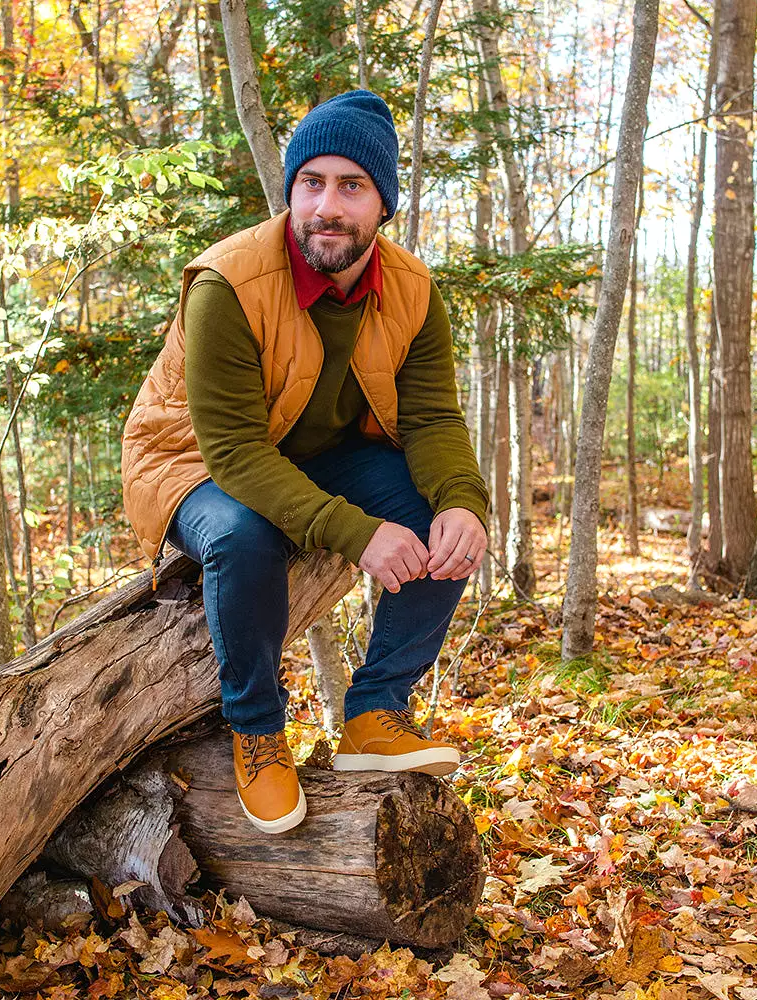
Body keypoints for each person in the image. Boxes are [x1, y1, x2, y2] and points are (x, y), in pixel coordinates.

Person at [121, 90, 489, 835]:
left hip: (319, 452)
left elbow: (430, 418)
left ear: (382, 204)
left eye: (351, 186)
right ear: (290, 191)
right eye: (310, 183)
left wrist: (463, 499)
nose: (326, 205)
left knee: (441, 524)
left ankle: (375, 712)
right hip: (190, 460)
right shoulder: (229, 283)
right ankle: (256, 732)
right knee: (243, 535)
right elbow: (232, 451)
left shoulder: (413, 290)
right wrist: (355, 533)